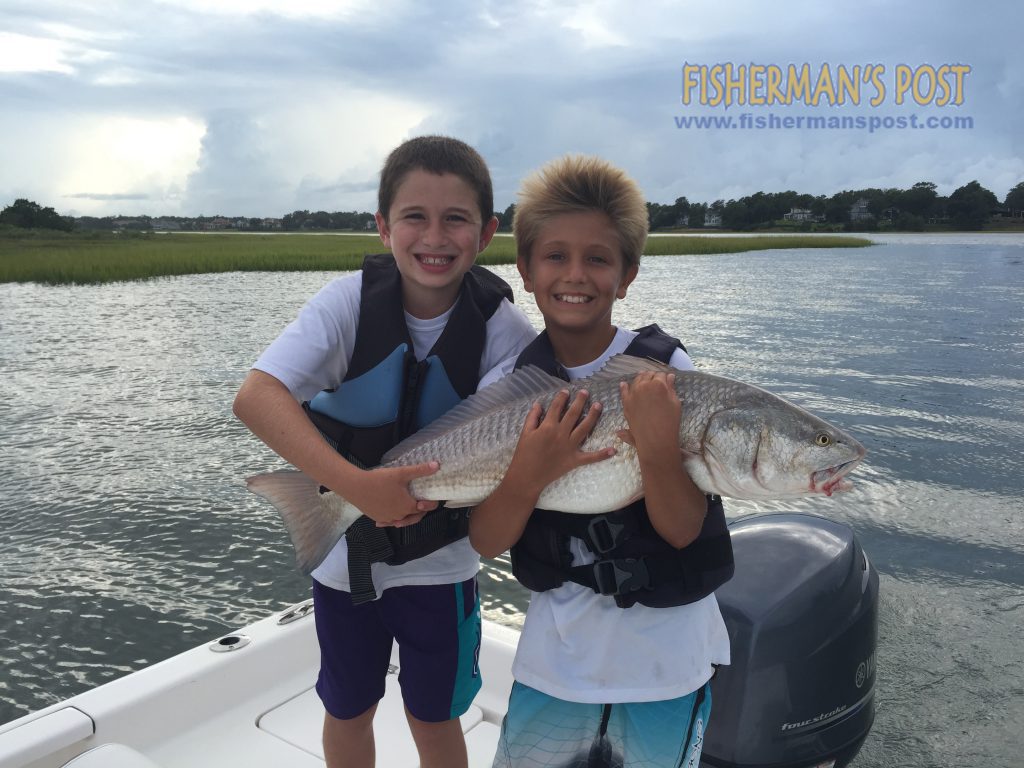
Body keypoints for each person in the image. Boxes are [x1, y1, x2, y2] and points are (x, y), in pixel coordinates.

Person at [233, 135, 536, 768]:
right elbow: (257, 397)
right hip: (345, 563)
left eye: (456, 219)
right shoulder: (344, 306)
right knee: (348, 708)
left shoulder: (504, 332)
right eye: (414, 218)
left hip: (442, 564)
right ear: (382, 227)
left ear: (486, 234)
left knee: (436, 716)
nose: (434, 236)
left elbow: (502, 441)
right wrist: (355, 486)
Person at [469, 155, 733, 767]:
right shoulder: (507, 387)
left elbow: (681, 528)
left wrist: (659, 444)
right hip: (554, 662)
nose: (575, 274)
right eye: (555, 256)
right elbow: (485, 538)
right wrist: (530, 472)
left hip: (667, 664)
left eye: (598, 258)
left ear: (628, 273)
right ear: (526, 270)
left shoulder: (669, 378)